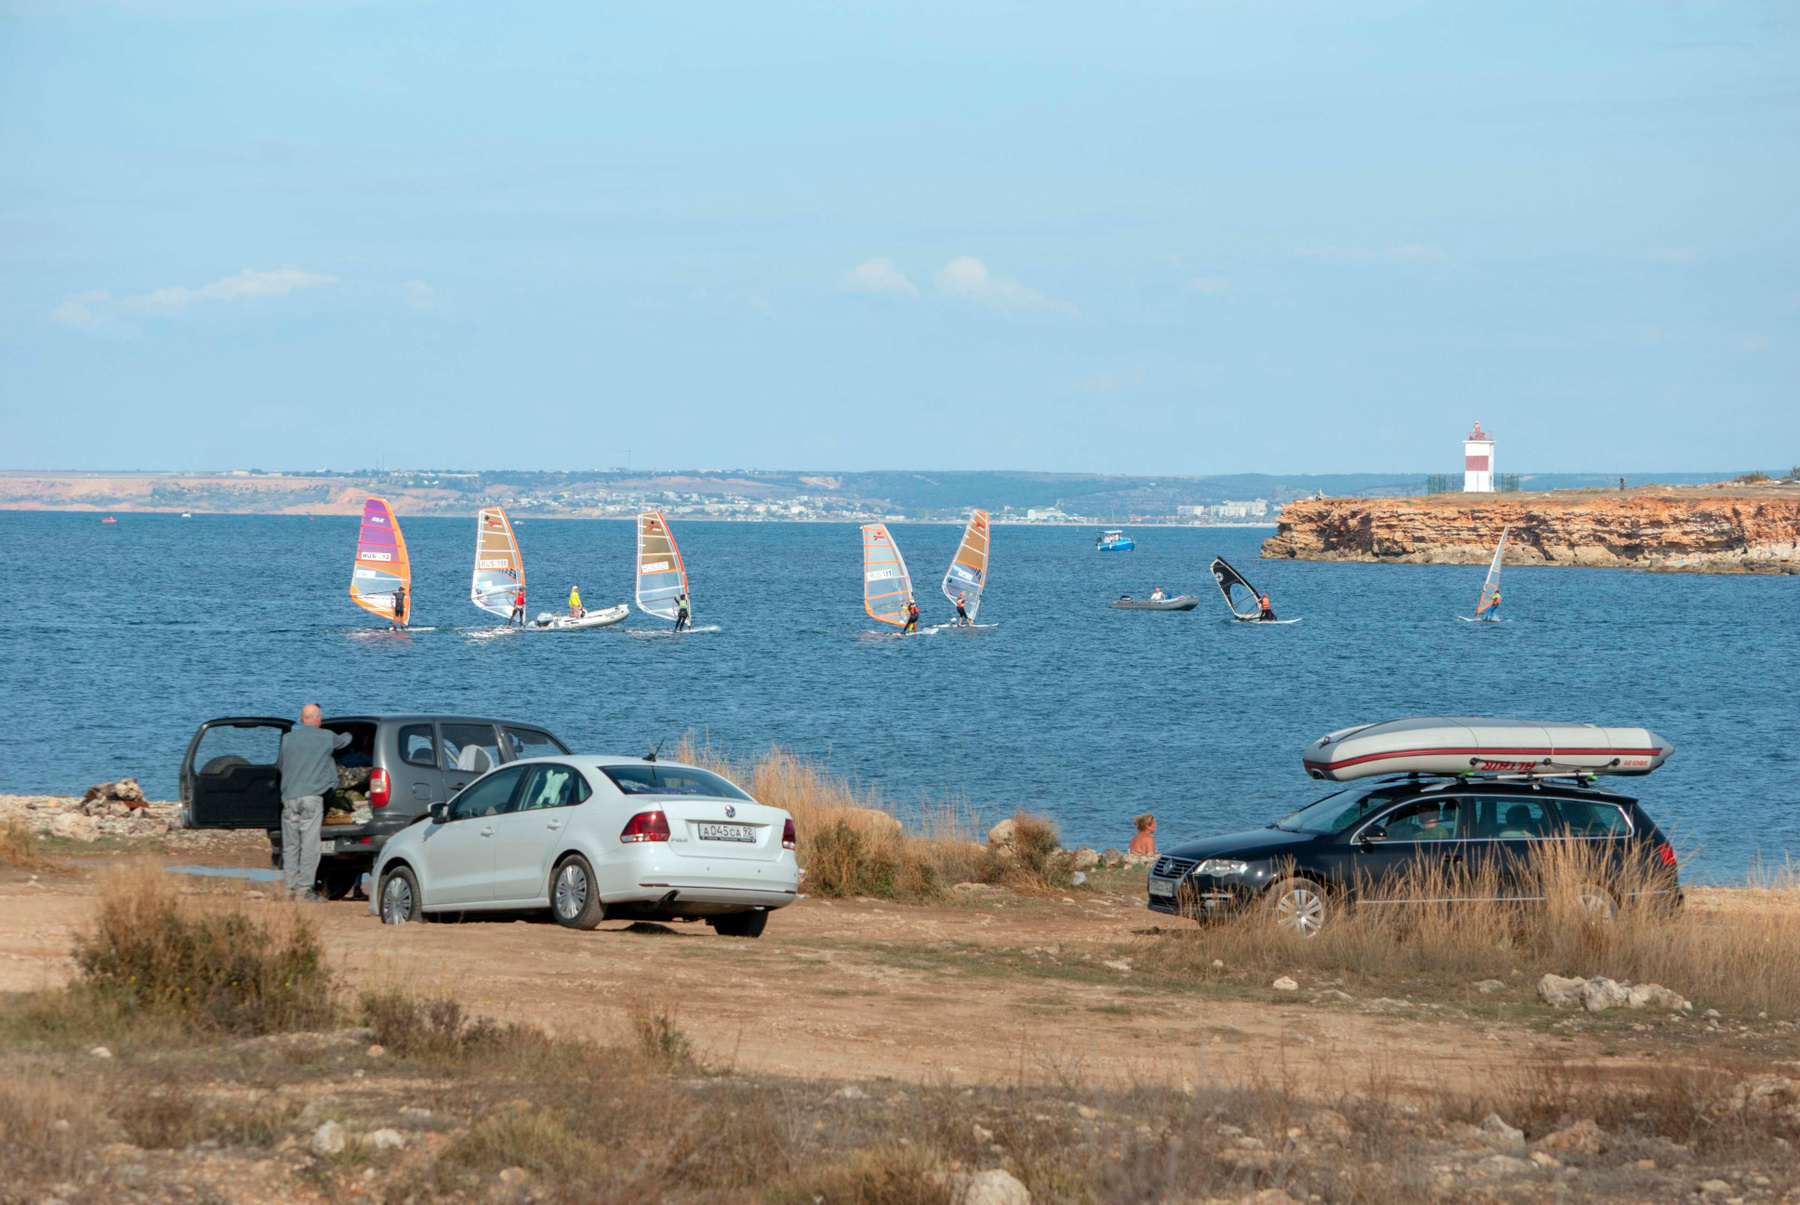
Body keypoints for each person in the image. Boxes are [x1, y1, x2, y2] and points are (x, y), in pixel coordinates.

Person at [277, 704, 352, 902]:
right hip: (311, 798)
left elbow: (281, 767)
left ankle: (289, 890)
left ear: (302, 719)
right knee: (309, 845)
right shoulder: (326, 736)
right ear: (318, 719)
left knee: (291, 846)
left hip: (289, 798)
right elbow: (345, 741)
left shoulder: (288, 739)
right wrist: (350, 732)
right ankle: (304, 891)